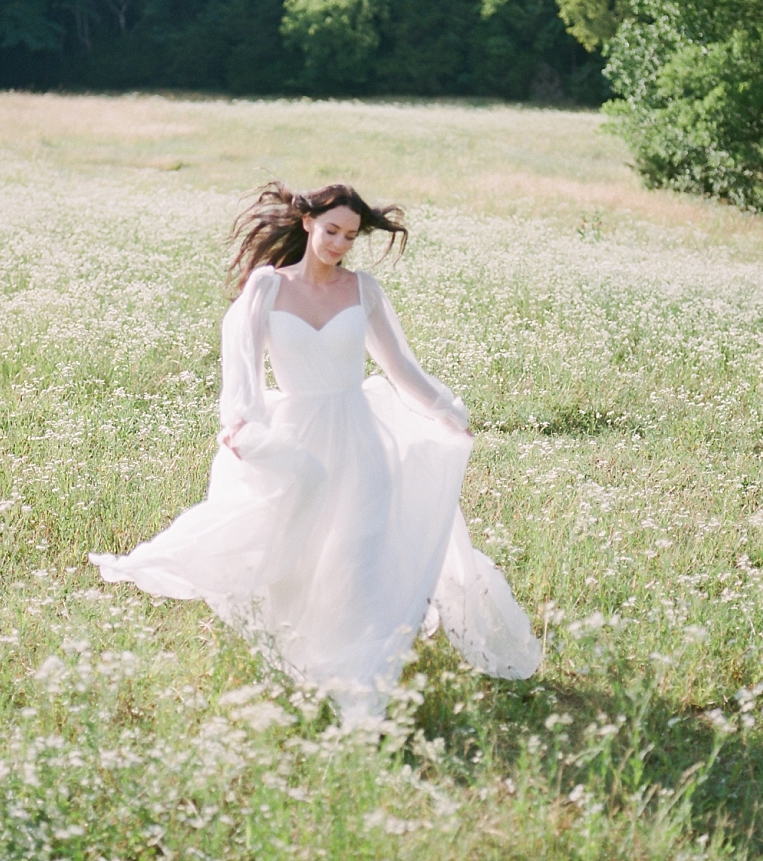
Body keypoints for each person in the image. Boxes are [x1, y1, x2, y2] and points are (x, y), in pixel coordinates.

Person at [90, 182, 540, 724]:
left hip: (360, 438)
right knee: (302, 554)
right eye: (331, 231)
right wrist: (242, 425)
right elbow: (245, 372)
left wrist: (447, 412)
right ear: (307, 223)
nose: (339, 244)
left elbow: (400, 370)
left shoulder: (363, 291)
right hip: (298, 438)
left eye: (350, 236)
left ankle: (362, 681)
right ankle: (306, 655)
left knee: (360, 555)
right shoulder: (267, 289)